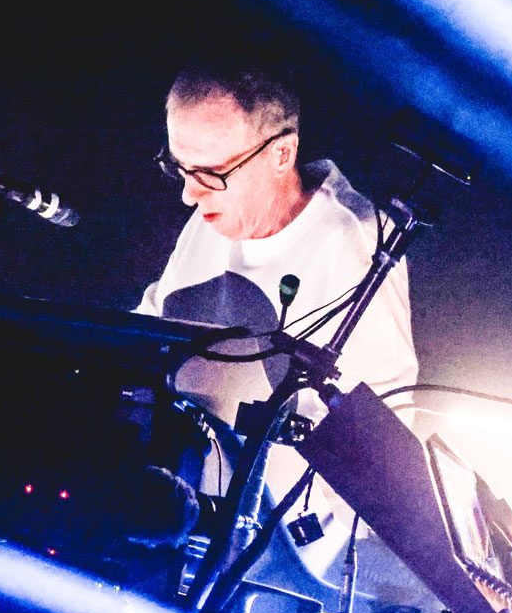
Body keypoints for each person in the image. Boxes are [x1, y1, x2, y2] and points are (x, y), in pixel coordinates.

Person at [139, 63, 418, 569]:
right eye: (179, 169)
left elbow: (383, 430)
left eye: (209, 174)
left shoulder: (353, 243)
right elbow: (152, 329)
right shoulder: (212, 215)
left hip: (277, 553)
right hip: (179, 518)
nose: (188, 194)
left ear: (281, 154)